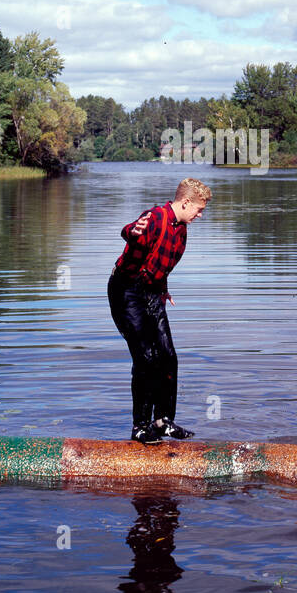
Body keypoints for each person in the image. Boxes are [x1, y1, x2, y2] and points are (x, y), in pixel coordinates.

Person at [108, 177, 211, 443]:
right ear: (186, 202)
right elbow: (130, 231)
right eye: (199, 209)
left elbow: (160, 261)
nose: (200, 215)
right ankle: (140, 426)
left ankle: (163, 421)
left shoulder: (182, 230)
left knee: (167, 356)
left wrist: (162, 288)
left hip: (152, 293)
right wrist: (133, 230)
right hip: (126, 292)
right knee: (146, 358)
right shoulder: (154, 217)